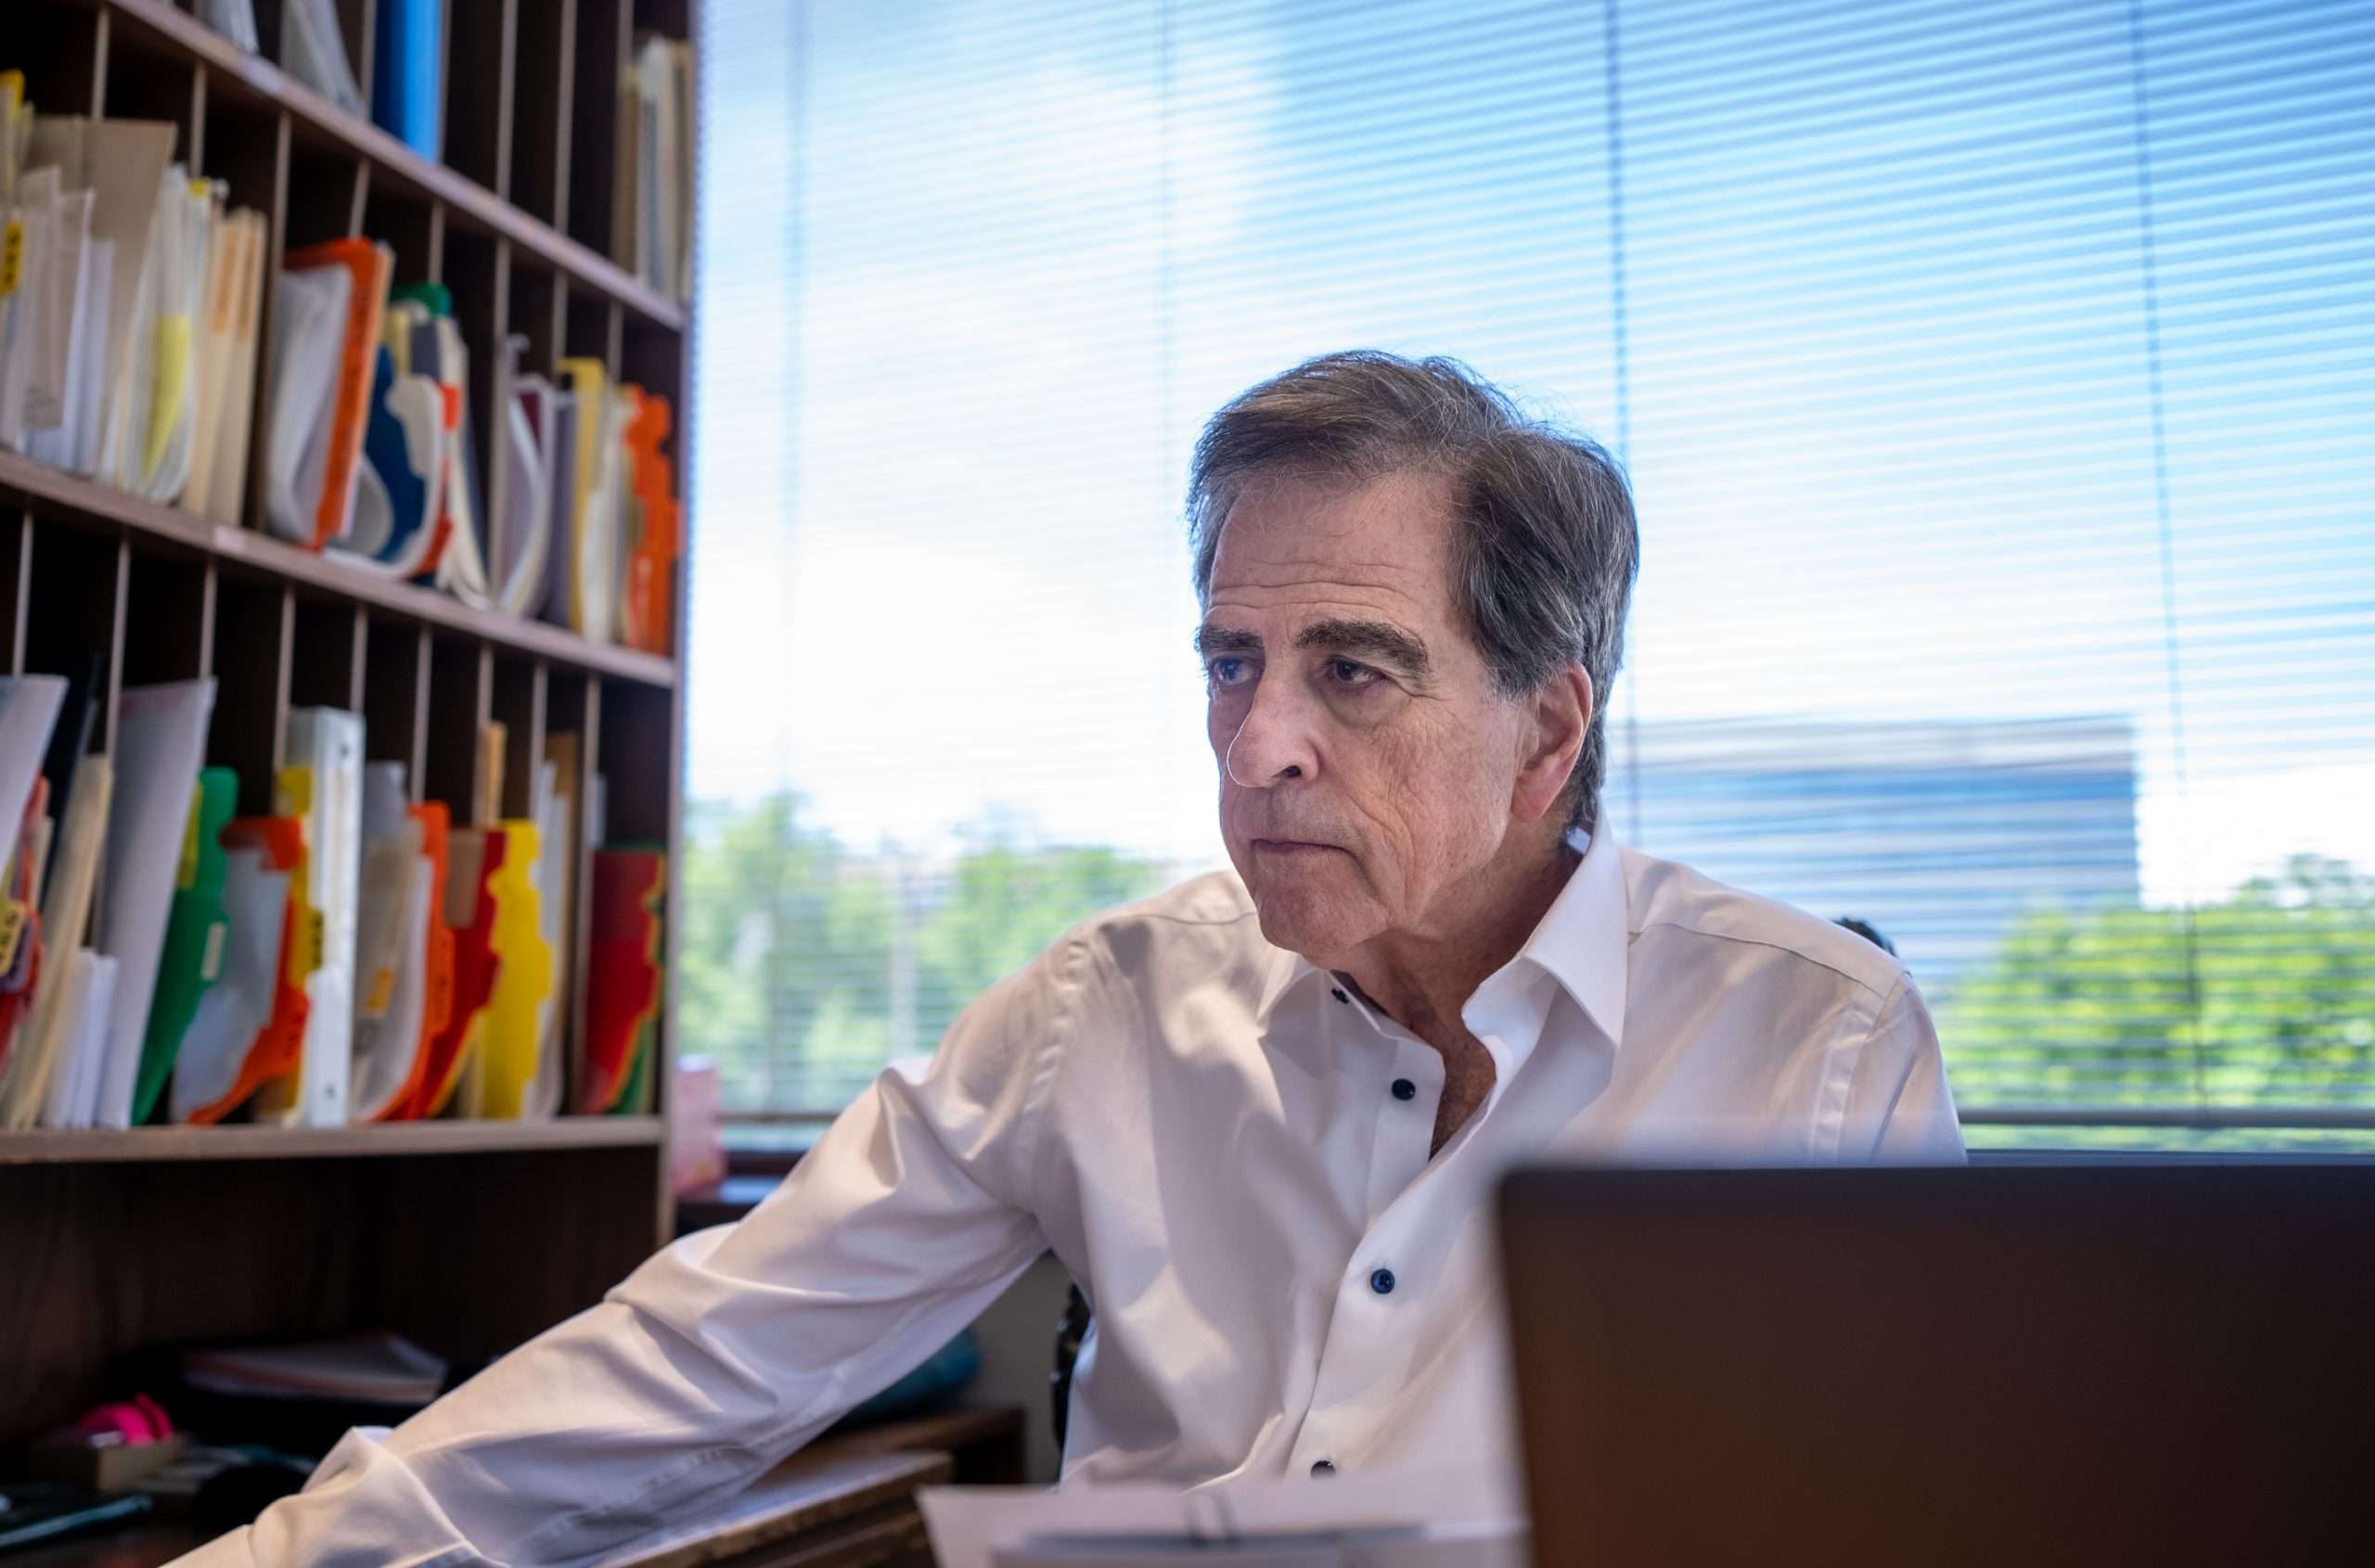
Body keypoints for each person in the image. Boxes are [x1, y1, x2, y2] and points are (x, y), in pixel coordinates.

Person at [185, 352, 1960, 1567]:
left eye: (1353, 667)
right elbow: (707, 1355)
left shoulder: (1808, 1047)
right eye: (1228, 662)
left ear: (1548, 728)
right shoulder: (1106, 1006)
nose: (1257, 740)